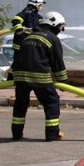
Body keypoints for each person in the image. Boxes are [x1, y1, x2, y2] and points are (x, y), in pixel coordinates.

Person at [11, 11, 68, 141]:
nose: (60, 30)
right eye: (60, 27)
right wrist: (63, 81)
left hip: (20, 76)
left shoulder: (29, 37)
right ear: (54, 24)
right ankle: (52, 134)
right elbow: (57, 62)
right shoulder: (52, 38)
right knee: (51, 102)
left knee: (20, 104)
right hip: (39, 76)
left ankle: (16, 134)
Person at [8, 0, 44, 79]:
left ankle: (23, 80)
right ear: (35, 5)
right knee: (17, 63)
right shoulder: (24, 13)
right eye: (40, 5)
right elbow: (16, 20)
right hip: (20, 44)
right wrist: (19, 28)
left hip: (31, 45)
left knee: (28, 63)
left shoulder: (38, 17)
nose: (41, 7)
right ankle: (10, 80)